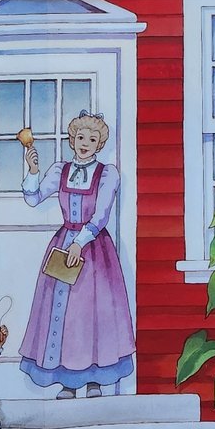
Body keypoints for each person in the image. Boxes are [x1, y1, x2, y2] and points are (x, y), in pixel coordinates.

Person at [18, 111, 135, 397]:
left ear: (100, 144)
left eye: (92, 139)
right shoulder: (60, 170)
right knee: (63, 313)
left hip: (94, 250)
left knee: (91, 313)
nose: (85, 143)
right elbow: (34, 199)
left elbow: (101, 215)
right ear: (72, 140)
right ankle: (68, 382)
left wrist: (79, 242)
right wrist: (33, 171)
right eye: (80, 137)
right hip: (63, 245)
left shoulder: (107, 174)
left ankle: (95, 379)